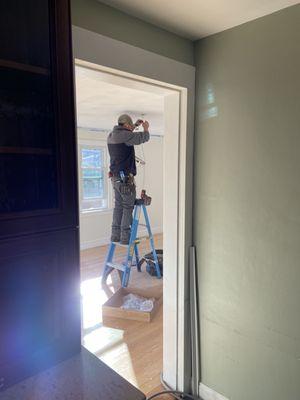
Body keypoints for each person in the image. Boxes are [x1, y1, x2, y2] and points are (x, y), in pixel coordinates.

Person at [107, 114, 150, 244]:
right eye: (130, 126)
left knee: (118, 206)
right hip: (125, 180)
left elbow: (127, 134)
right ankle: (126, 237)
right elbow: (143, 138)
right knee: (127, 207)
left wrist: (135, 125)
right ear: (126, 125)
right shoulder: (125, 136)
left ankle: (115, 235)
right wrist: (146, 128)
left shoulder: (112, 136)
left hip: (115, 179)